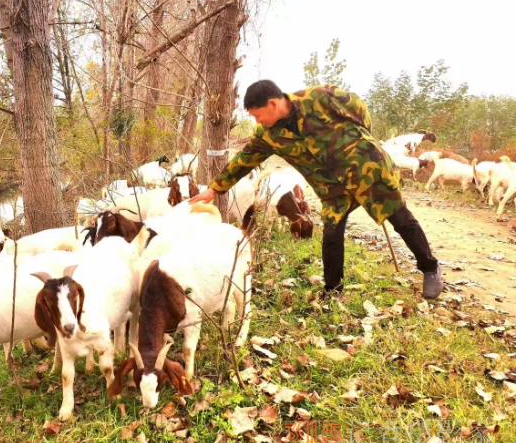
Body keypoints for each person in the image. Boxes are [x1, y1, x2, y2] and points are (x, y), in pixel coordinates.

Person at [189, 80, 442, 299]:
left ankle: (430, 268)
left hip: (366, 168)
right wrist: (214, 189)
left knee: (400, 219)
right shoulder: (267, 135)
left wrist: (359, 142)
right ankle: (333, 290)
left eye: (257, 115)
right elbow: (244, 160)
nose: (257, 120)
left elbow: (359, 110)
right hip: (332, 187)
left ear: (273, 104)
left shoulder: (319, 97)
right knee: (332, 234)